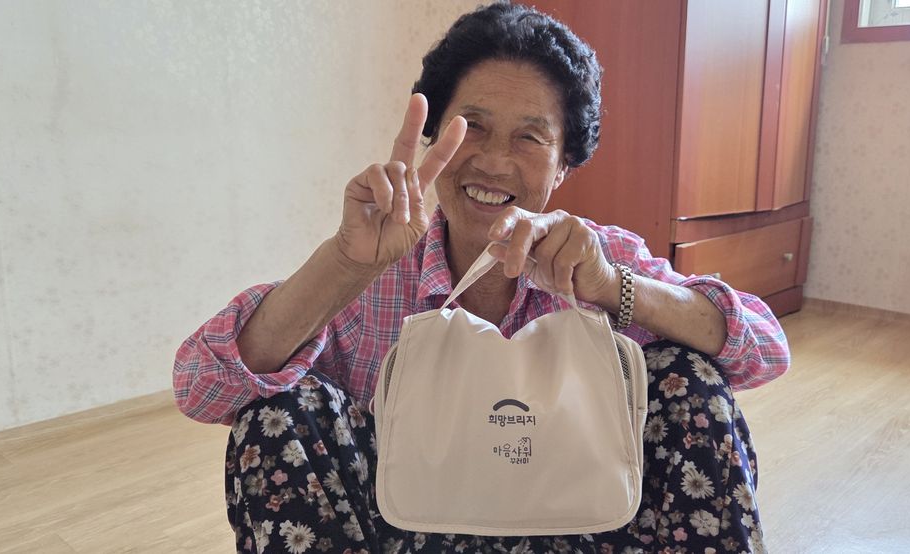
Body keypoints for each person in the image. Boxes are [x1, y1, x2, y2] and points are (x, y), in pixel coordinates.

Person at [173, 4, 789, 553]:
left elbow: (764, 349)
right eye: (472, 126)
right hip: (407, 522)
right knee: (275, 414)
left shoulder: (598, 258)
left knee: (691, 379)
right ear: (434, 136)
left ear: (565, 164)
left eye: (530, 137)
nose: (494, 161)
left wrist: (613, 287)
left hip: (587, 516)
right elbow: (203, 387)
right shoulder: (375, 271)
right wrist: (345, 264)